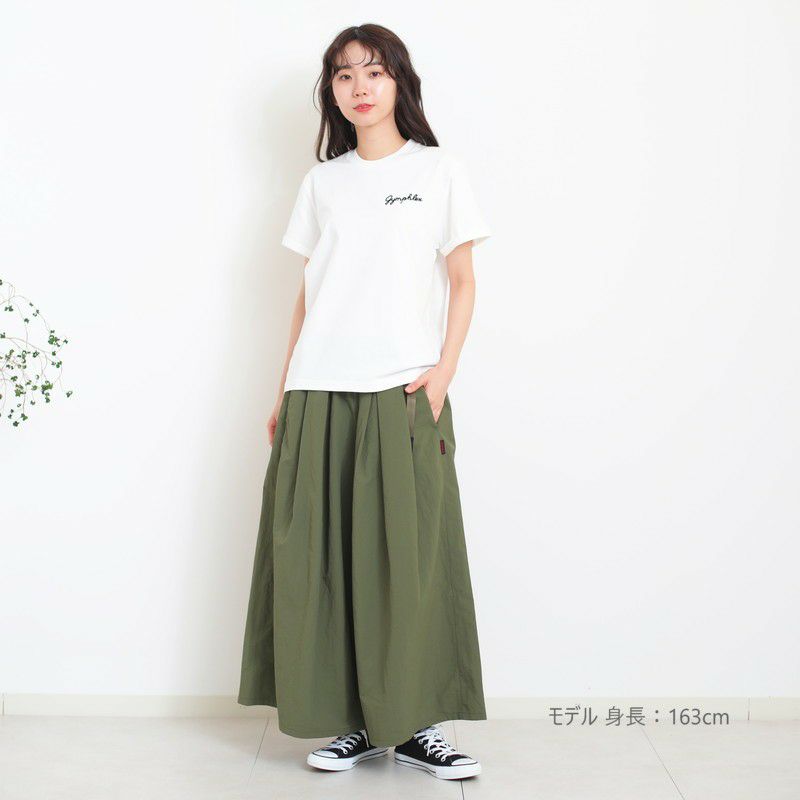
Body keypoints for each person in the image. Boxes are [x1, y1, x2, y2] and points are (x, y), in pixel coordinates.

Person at [237, 22, 491, 782]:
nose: (359, 87)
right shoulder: (323, 183)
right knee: (325, 562)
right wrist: (284, 388)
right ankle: (354, 724)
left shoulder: (438, 171)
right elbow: (308, 294)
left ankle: (415, 725)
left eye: (374, 71)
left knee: (408, 563)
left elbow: (464, 280)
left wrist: (442, 374)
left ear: (399, 82)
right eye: (344, 75)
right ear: (332, 92)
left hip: (403, 390)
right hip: (319, 388)